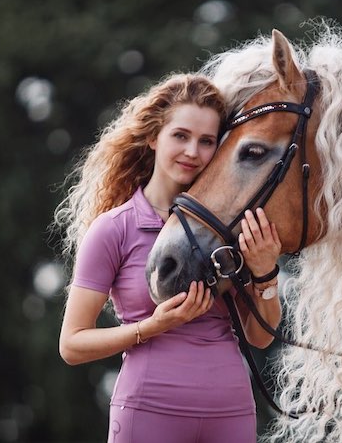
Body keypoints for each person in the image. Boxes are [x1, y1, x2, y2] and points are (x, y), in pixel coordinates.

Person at [53, 74, 282, 443]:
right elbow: (72, 344)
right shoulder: (114, 229)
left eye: (207, 141)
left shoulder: (228, 228)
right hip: (149, 409)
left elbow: (260, 337)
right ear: (153, 137)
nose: (193, 151)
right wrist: (153, 327)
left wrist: (265, 271)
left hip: (231, 410)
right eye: (181, 136)